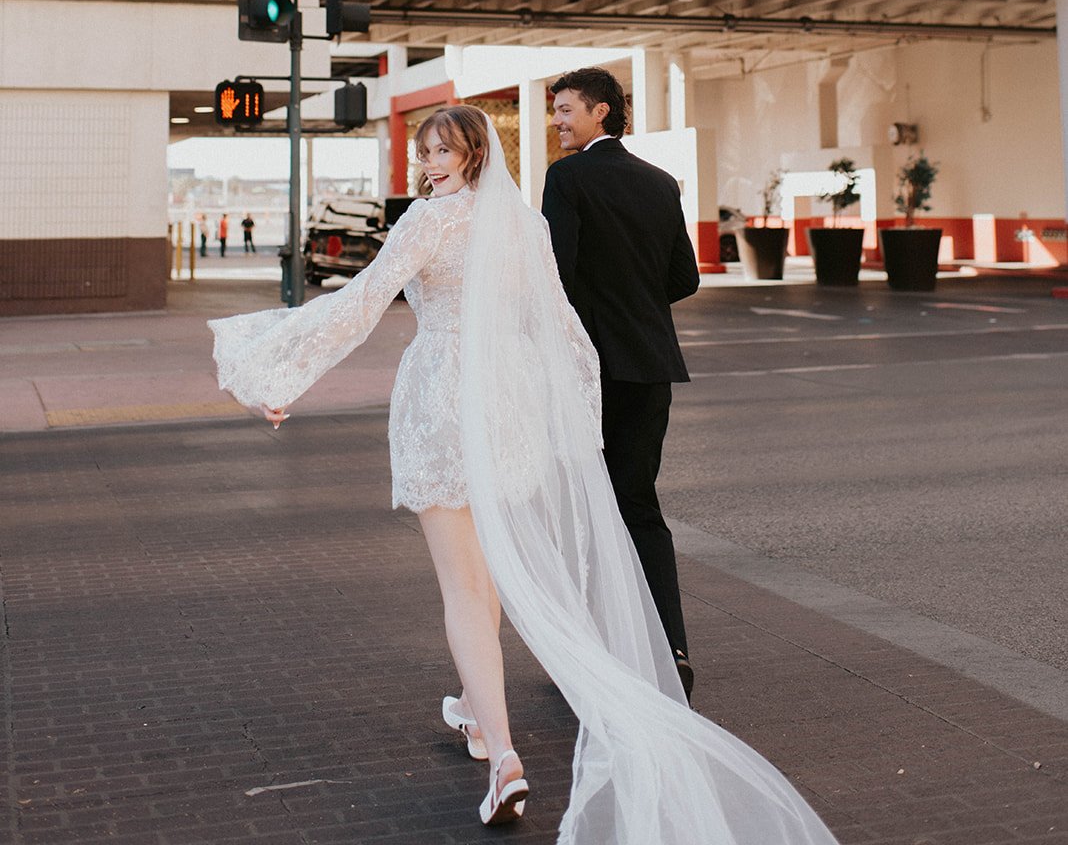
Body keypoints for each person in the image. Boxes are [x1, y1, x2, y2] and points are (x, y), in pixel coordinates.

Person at [209, 107, 838, 844]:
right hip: (508, 404)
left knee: (464, 587)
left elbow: (360, 303)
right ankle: (477, 710)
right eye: (425, 151)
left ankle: (504, 759)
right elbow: (562, 329)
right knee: (492, 567)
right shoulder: (522, 224)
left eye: (442, 150)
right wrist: (568, 415)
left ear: (473, 153)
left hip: (444, 399)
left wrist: (276, 374)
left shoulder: (426, 222)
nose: (430, 163)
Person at [541, 67, 699, 697]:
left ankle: (592, 652)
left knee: (584, 509)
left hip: (590, 371)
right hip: (650, 368)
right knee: (639, 506)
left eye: (565, 110)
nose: (556, 120)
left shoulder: (568, 178)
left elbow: (558, 279)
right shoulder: (661, 183)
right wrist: (634, 300)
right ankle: (670, 649)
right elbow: (683, 279)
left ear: (601, 112)